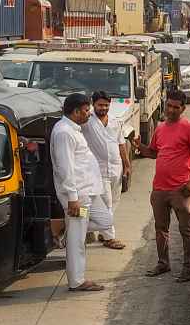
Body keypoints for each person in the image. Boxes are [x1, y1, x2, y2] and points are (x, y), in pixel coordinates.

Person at [134, 88, 190, 282]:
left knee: (186, 230)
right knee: (161, 229)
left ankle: (188, 268)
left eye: (175, 107)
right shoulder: (160, 128)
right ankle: (163, 263)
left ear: (183, 108)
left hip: (181, 190)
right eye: (169, 106)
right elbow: (154, 153)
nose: (171, 110)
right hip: (159, 189)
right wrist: (140, 147)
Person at [50, 93, 114, 292]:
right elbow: (65, 168)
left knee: (105, 220)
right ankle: (77, 281)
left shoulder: (74, 130)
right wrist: (72, 199)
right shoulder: (64, 133)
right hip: (77, 195)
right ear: (76, 111)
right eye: (86, 111)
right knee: (77, 241)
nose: (89, 114)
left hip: (88, 193)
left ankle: (63, 226)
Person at [81, 91, 130, 250]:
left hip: (116, 168)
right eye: (100, 105)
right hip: (98, 171)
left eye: (106, 105)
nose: (103, 108)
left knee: (115, 201)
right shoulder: (87, 122)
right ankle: (109, 237)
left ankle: (102, 231)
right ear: (93, 105)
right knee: (106, 204)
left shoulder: (115, 121)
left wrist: (127, 164)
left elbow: (121, 143)